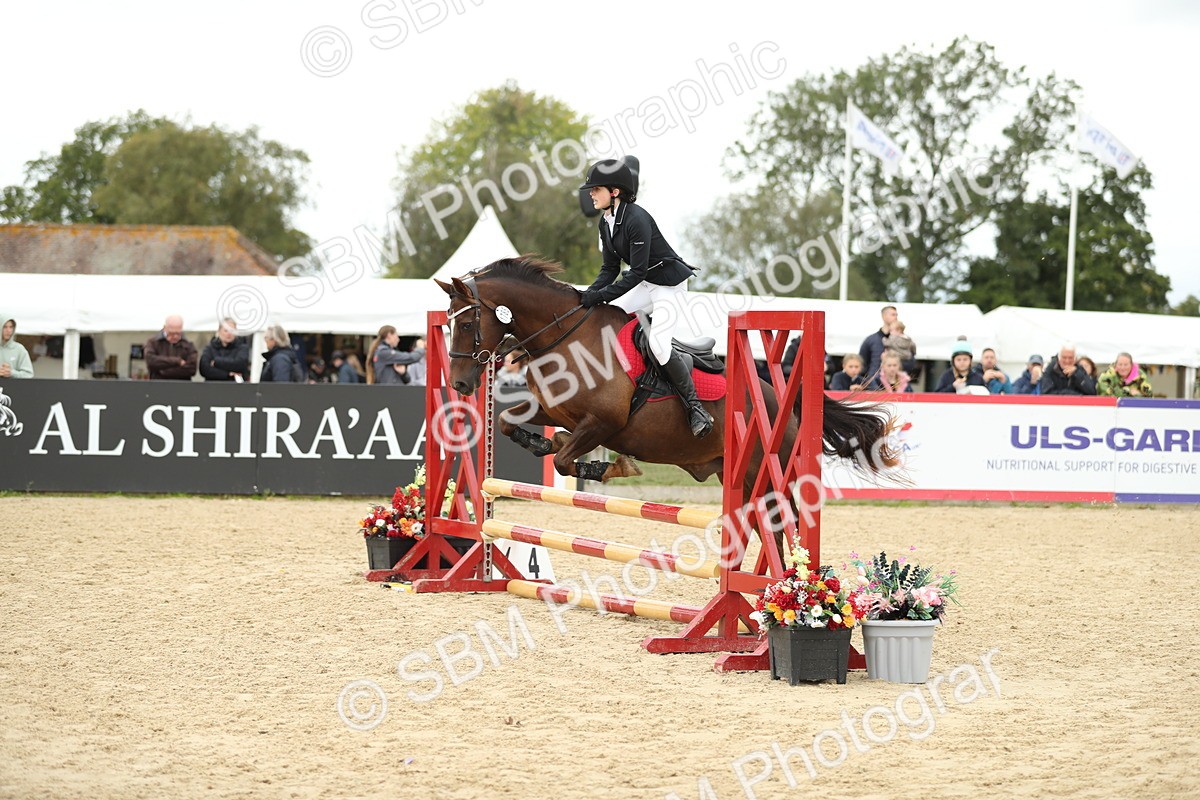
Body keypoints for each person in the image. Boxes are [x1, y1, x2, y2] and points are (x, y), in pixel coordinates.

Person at [577, 158, 712, 438]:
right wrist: (589, 295)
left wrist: (600, 295)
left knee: (659, 344)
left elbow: (636, 272)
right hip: (646, 283)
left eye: (596, 189)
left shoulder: (636, 218)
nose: (590, 193)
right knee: (604, 314)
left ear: (614, 191)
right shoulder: (606, 222)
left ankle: (696, 409)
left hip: (668, 286)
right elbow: (610, 269)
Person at [145, 315, 198, 380]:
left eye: (178, 333)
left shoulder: (188, 345)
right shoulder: (153, 343)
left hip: (182, 387)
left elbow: (192, 369)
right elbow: (151, 361)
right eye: (171, 333)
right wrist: (177, 361)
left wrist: (164, 370)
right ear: (165, 328)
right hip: (158, 387)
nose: (175, 336)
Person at [859, 304, 898, 385]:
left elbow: (910, 362)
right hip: (874, 384)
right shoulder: (871, 340)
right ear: (884, 316)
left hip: (896, 383)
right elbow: (862, 363)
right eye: (893, 314)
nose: (896, 317)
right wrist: (867, 381)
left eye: (896, 315)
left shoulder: (902, 340)